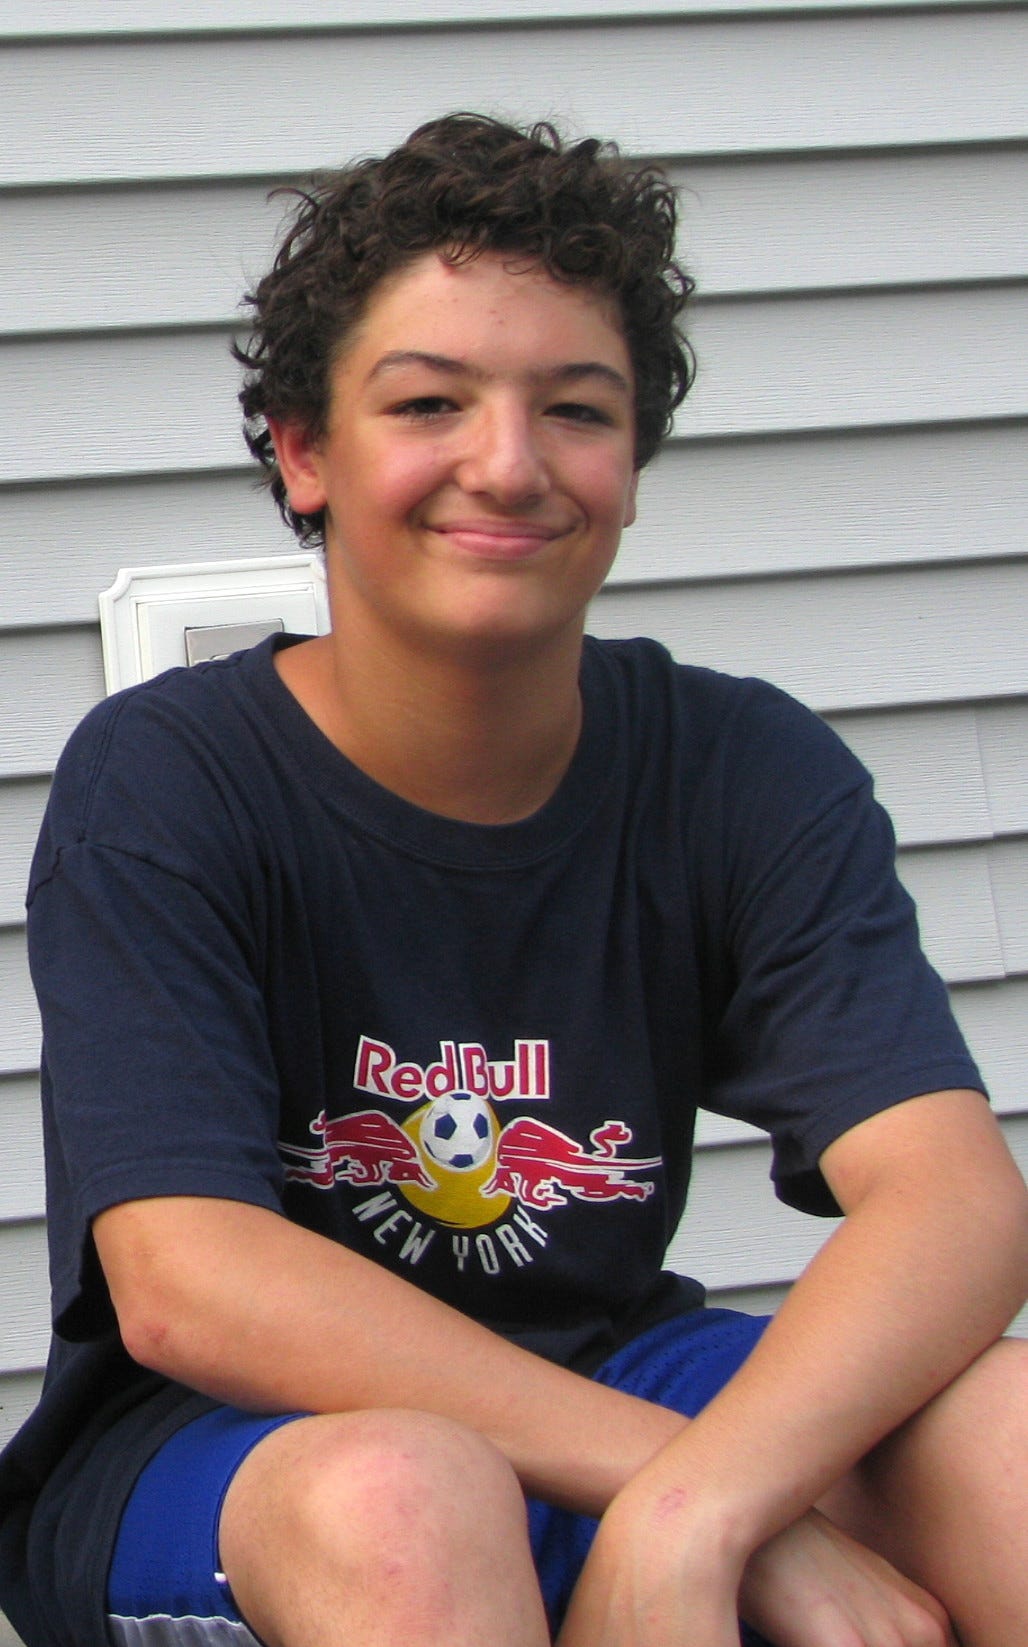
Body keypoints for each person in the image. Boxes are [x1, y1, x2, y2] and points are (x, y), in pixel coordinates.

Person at [0, 113, 1025, 1647]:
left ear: (631, 465)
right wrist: (701, 1500)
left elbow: (950, 1197)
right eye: (428, 401)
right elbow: (186, 1284)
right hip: (227, 1449)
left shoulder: (739, 767)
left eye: (577, 408)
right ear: (304, 452)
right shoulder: (167, 783)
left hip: (615, 1373)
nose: (509, 463)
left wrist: (698, 1510)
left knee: (1010, 1437)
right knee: (411, 1501)